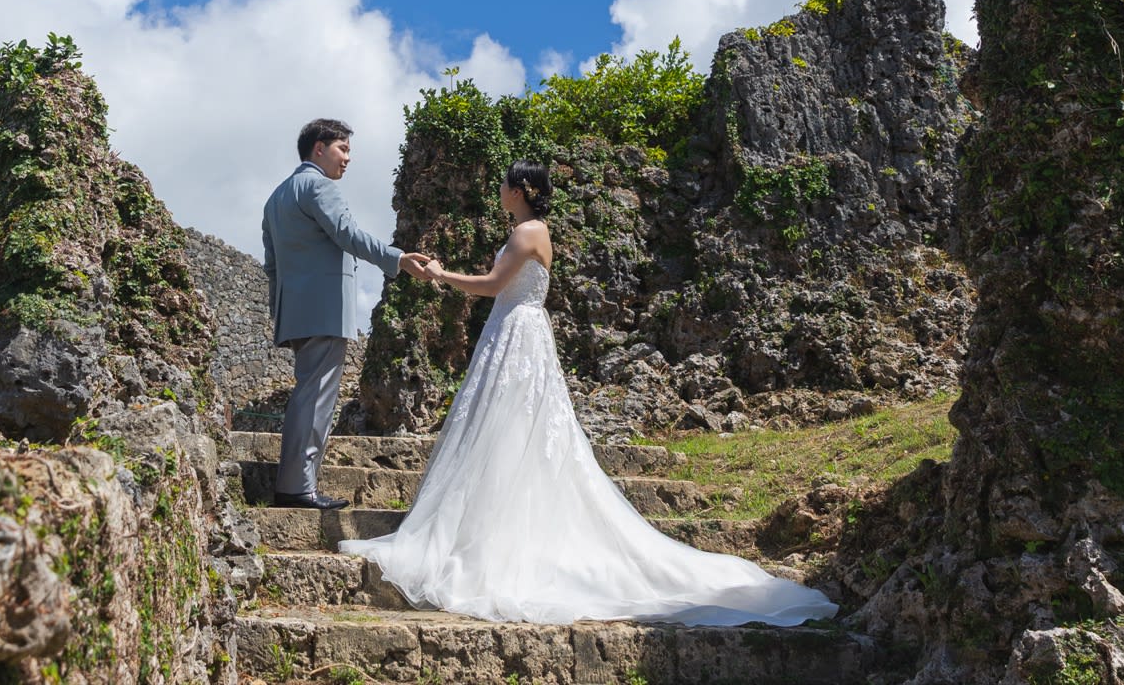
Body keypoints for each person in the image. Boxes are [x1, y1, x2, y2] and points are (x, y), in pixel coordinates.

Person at [341, 159, 837, 626]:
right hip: (515, 332)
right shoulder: (532, 230)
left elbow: (493, 285)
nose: (498, 192)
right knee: (506, 429)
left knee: (508, 425)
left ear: (517, 191)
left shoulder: (528, 231)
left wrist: (441, 275)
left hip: (517, 331)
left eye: (503, 185)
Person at [262, 117, 434, 510]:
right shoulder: (318, 185)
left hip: (295, 312)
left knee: (308, 394)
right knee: (317, 397)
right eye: (343, 149)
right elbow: (348, 233)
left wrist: (281, 314)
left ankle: (295, 482)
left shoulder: (276, 198)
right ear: (318, 149)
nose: (348, 159)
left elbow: (272, 266)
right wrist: (398, 259)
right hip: (325, 309)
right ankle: (297, 486)